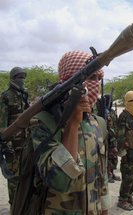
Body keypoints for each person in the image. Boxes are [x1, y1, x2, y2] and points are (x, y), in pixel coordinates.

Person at [29, 50, 110, 214]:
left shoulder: (98, 123)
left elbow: (102, 175)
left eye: (99, 78)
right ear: (69, 81)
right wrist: (73, 124)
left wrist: (105, 207)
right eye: (90, 77)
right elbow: (60, 181)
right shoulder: (44, 123)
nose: (95, 84)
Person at [0, 66, 30, 207]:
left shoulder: (24, 95)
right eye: (19, 77)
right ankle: (14, 207)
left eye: (23, 77)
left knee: (26, 180)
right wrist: (8, 147)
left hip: (26, 145)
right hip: (13, 148)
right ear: (12, 79)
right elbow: (2, 126)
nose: (22, 80)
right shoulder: (5, 97)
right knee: (13, 183)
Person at [117, 91, 133, 211]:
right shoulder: (124, 116)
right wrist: (123, 154)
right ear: (127, 102)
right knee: (127, 178)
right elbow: (121, 137)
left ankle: (129, 197)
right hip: (128, 155)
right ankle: (122, 200)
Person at [96, 94, 121, 183]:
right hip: (108, 137)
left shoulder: (112, 111)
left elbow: (116, 123)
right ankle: (108, 173)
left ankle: (112, 172)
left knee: (114, 156)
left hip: (114, 136)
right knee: (108, 156)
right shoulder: (103, 112)